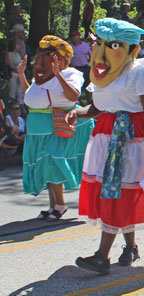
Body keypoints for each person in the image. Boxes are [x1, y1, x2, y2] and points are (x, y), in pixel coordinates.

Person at [70, 18, 144, 274]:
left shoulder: (141, 69)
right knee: (119, 192)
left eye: (113, 44)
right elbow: (97, 108)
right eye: (101, 43)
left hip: (133, 139)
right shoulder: (102, 73)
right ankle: (130, 248)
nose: (104, 49)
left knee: (116, 193)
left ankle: (101, 256)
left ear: (131, 48)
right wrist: (76, 112)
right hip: (107, 135)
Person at [18, 35, 94, 221]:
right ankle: (54, 206)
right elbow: (30, 96)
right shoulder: (41, 76)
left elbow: (73, 95)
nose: (43, 57)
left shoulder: (71, 74)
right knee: (45, 164)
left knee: (51, 160)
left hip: (56, 126)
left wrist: (58, 74)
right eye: (42, 53)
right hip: (37, 129)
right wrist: (21, 75)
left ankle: (59, 205)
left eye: (49, 53)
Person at [69, 30, 92, 101]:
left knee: (87, 86)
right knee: (75, 86)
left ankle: (89, 100)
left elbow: (91, 55)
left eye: (75, 36)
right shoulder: (70, 47)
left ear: (79, 36)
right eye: (72, 36)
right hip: (75, 69)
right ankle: (76, 101)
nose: (74, 38)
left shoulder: (85, 45)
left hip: (85, 68)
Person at [5, 40, 23, 105]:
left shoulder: (18, 54)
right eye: (17, 44)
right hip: (13, 74)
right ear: (13, 45)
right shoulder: (9, 54)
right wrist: (19, 72)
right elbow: (11, 65)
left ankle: (21, 105)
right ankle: (11, 105)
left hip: (20, 74)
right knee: (13, 90)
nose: (18, 46)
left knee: (19, 91)